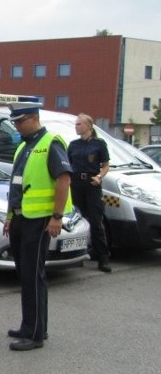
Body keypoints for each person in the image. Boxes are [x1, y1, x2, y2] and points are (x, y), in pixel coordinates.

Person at [2, 102, 73, 351]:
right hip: (22, 218)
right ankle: (31, 325)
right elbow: (17, 185)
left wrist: (57, 216)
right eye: (15, 123)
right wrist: (10, 216)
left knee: (33, 276)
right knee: (26, 275)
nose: (17, 126)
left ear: (34, 118)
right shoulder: (24, 145)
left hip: (40, 219)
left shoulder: (51, 143)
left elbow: (63, 180)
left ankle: (34, 335)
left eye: (20, 122)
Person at [67, 113, 111, 272]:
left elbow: (106, 165)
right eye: (76, 124)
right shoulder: (73, 145)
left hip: (92, 184)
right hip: (76, 184)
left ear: (88, 126)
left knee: (96, 220)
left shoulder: (99, 144)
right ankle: (79, 253)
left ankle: (103, 257)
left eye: (79, 124)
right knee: (78, 218)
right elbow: (68, 165)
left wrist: (99, 177)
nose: (76, 126)